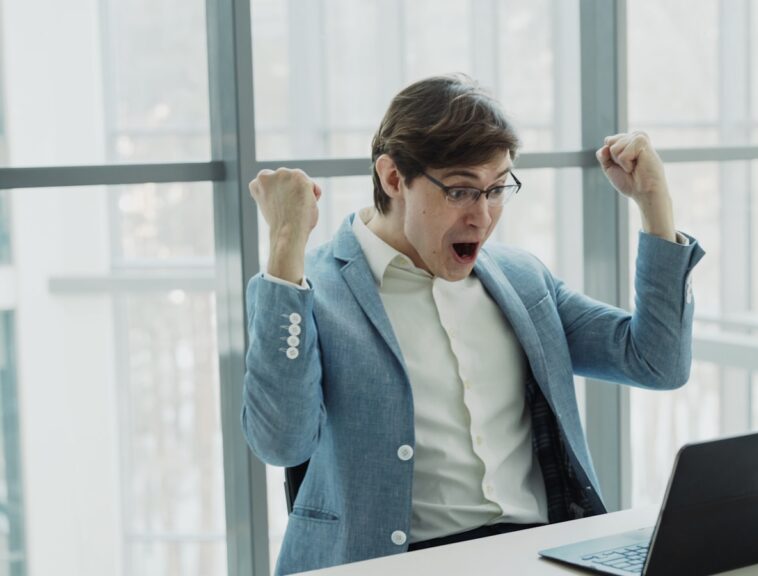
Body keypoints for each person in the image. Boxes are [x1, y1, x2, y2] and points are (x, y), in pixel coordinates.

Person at [242, 74, 704, 575]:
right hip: (390, 563)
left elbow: (657, 362)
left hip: (539, 556)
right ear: (394, 178)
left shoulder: (521, 280)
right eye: (461, 191)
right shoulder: (309, 289)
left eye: (498, 189)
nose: (482, 218)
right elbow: (280, 441)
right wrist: (286, 242)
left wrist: (654, 203)